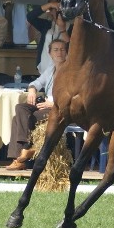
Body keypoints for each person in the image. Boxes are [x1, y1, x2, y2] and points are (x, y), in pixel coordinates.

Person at [6, 39, 69, 170]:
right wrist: (32, 90)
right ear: (50, 53)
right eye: (56, 50)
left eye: (62, 49)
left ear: (67, 52)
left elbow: (72, 94)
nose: (59, 52)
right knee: (20, 108)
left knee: (16, 119)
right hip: (44, 104)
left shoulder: (70, 70)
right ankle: (25, 148)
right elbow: (36, 82)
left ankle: (18, 158)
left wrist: (53, 104)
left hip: (58, 108)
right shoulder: (51, 69)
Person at [27, 0, 69, 74]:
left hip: (63, 71)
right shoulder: (46, 25)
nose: (57, 11)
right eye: (53, 9)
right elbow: (30, 17)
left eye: (60, 8)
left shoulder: (71, 27)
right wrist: (49, 5)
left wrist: (63, 29)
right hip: (44, 69)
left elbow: (71, 46)